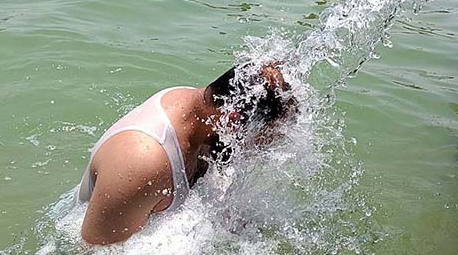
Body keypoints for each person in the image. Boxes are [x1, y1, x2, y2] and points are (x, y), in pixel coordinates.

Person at [78, 64, 296, 245]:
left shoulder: (205, 112)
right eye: (264, 140)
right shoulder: (143, 163)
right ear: (233, 121)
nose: (263, 151)